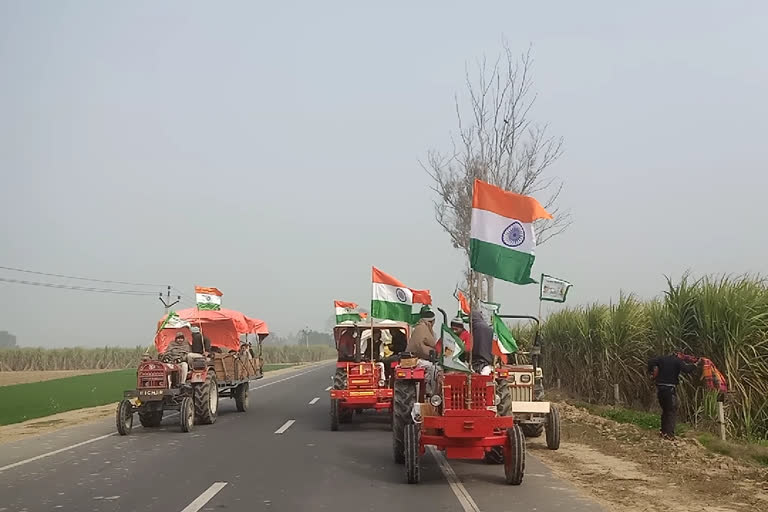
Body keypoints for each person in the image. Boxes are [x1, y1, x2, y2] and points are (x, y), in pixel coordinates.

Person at [647, 352, 700, 439]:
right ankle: (669, 434)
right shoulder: (677, 361)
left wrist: (652, 372)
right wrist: (695, 365)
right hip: (669, 389)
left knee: (665, 410)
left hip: (660, 388)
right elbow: (686, 369)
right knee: (671, 410)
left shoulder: (661, 358)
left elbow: (650, 362)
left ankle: (663, 431)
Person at [406, 309, 441, 395]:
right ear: (431, 321)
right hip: (418, 359)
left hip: (413, 358)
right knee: (435, 370)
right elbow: (433, 344)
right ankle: (433, 393)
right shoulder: (424, 329)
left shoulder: (418, 328)